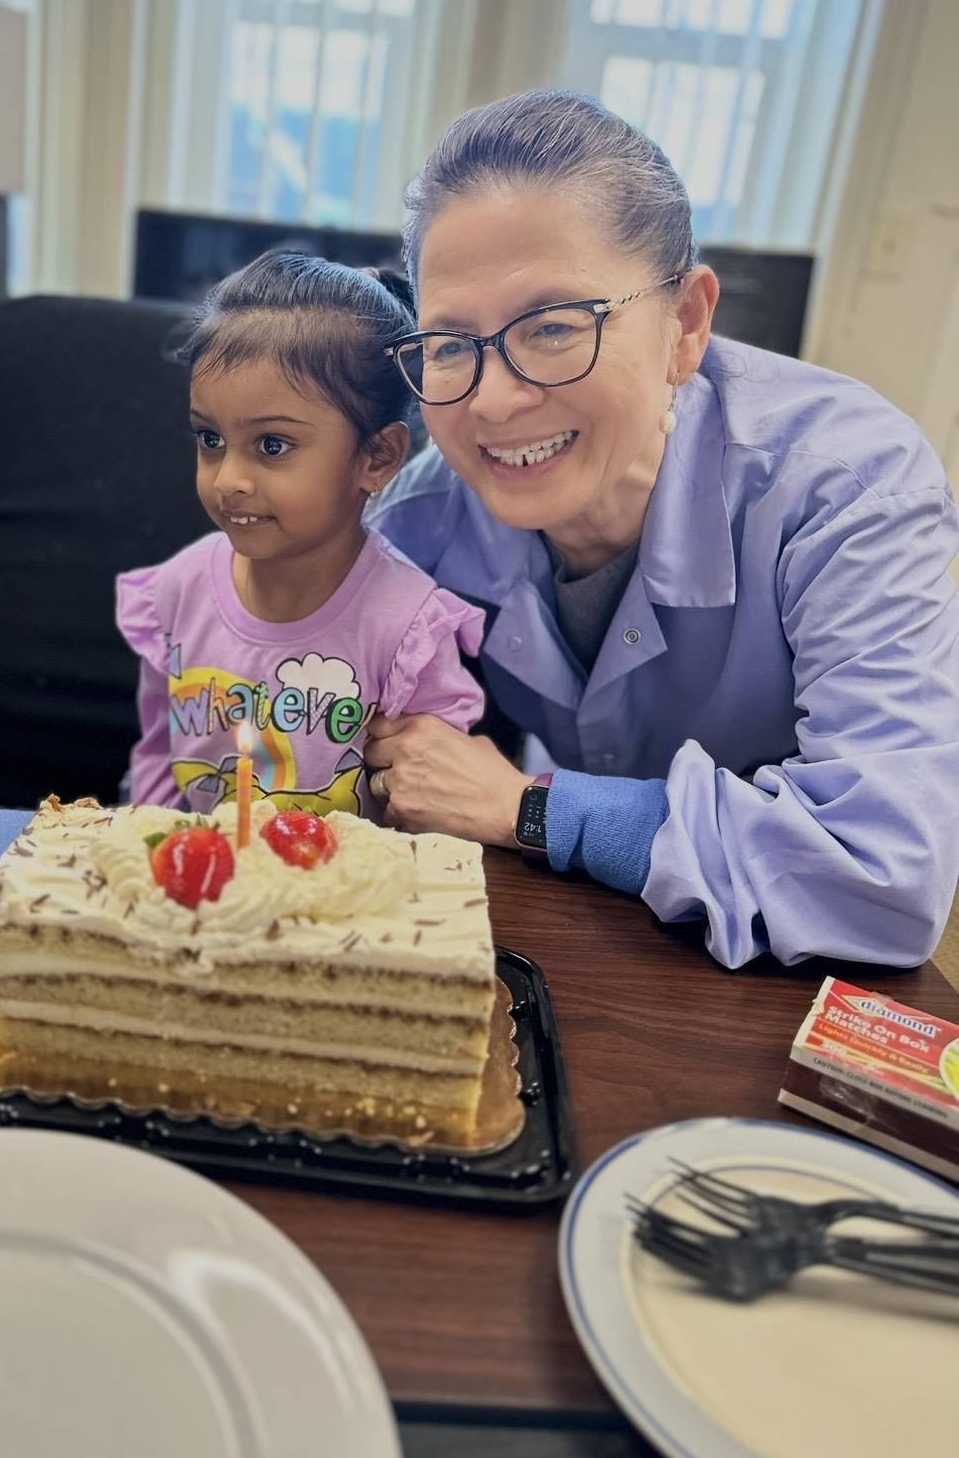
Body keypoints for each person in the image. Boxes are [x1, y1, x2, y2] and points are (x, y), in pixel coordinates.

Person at [365, 89, 959, 968]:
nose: (491, 399)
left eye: (555, 326)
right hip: (590, 961)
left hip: (777, 1001)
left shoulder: (847, 488)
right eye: (450, 344)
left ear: (686, 324)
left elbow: (884, 873)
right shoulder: (420, 523)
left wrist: (537, 807)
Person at [116, 250, 485, 821]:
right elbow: (158, 766)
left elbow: (434, 807)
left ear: (378, 457)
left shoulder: (409, 628)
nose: (229, 480)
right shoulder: (173, 592)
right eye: (210, 439)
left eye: (271, 446)